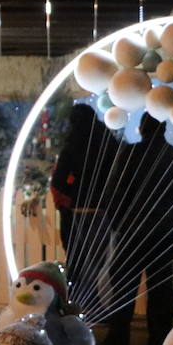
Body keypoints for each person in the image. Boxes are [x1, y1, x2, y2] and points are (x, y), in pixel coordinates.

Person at [99, 112, 173, 345]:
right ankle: (159, 342)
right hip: (164, 233)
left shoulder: (130, 154)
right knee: (160, 289)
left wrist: (118, 225)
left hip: (131, 231)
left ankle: (118, 339)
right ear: (163, 129)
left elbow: (113, 193)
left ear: (142, 128)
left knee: (122, 285)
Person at [49, 103, 119, 301]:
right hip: (104, 208)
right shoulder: (108, 141)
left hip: (78, 209)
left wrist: (73, 191)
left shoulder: (72, 144)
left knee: (77, 257)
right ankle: (102, 301)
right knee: (101, 259)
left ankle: (78, 301)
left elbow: (59, 180)